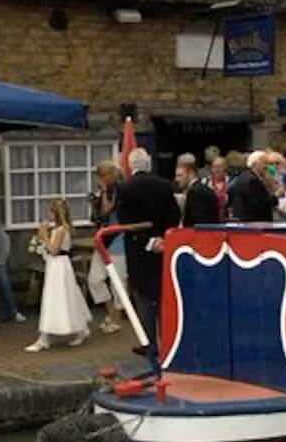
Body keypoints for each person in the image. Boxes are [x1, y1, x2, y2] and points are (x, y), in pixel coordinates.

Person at [117, 148, 181, 352]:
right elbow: (174, 215)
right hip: (164, 248)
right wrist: (162, 238)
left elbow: (125, 223)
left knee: (142, 296)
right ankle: (168, 341)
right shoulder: (164, 185)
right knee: (163, 294)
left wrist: (148, 241)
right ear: (148, 163)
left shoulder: (125, 188)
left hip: (138, 250)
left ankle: (149, 343)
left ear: (130, 166)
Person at [24, 199, 91, 352]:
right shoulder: (57, 229)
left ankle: (44, 338)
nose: (49, 214)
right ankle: (80, 330)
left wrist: (44, 236)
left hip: (59, 266)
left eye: (51, 211)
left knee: (58, 298)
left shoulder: (61, 230)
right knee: (65, 297)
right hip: (56, 265)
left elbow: (54, 250)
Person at [86, 160, 126, 335]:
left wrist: (103, 191)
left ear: (109, 175)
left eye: (101, 176)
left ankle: (116, 319)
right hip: (103, 241)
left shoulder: (119, 189)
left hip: (118, 240)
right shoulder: (105, 191)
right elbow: (97, 215)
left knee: (118, 283)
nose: (99, 179)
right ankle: (110, 313)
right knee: (94, 279)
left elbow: (106, 209)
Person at [228, 150, 279, 222]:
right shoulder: (252, 180)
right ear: (255, 164)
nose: (267, 166)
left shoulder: (244, 176)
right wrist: (276, 195)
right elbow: (258, 204)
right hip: (253, 223)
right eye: (264, 163)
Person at [175, 153, 219, 226]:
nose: (177, 179)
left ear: (191, 174)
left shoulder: (194, 192)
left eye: (180, 176)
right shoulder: (205, 189)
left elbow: (199, 223)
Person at [203, 156, 230, 222]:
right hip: (209, 219)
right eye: (214, 167)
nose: (217, 169)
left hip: (227, 219)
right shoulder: (204, 182)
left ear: (226, 168)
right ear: (211, 169)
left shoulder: (231, 182)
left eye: (220, 167)